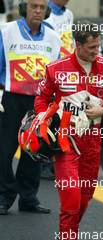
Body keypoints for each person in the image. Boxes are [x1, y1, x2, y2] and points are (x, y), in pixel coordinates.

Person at [34, 21, 103, 240]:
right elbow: (41, 99)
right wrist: (46, 120)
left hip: (93, 142)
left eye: (99, 45)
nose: (97, 51)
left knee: (84, 198)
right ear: (78, 45)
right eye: (92, 47)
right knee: (72, 197)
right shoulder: (56, 68)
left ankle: (66, 238)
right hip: (65, 142)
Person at [0, 0, 60, 215]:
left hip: (39, 101)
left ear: (46, 11)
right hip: (11, 98)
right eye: (33, 6)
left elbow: (57, 69)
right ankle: (4, 197)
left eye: (42, 7)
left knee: (34, 150)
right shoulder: (6, 31)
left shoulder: (53, 36)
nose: (37, 10)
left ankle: (28, 199)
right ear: (25, 9)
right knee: (4, 150)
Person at [41, 0, 74, 180]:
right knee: (48, 115)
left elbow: (70, 43)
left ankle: (53, 158)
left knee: (62, 116)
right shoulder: (46, 13)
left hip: (67, 71)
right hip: (51, 68)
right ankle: (44, 161)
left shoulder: (68, 14)